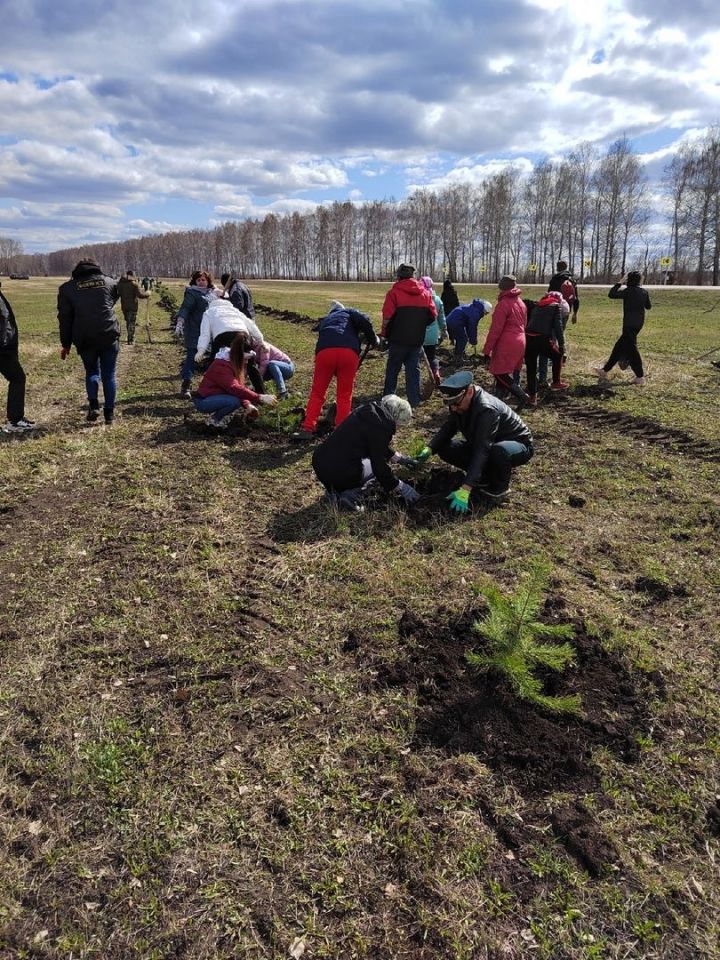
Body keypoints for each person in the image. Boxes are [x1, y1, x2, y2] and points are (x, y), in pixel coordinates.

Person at [411, 371, 534, 510]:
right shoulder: (459, 403)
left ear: (469, 392)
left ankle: (499, 488)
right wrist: (430, 448)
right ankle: (483, 477)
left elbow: (483, 449)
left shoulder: (487, 410)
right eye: (450, 405)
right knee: (445, 448)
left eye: (456, 404)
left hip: (517, 445)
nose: (453, 408)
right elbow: (449, 428)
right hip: (487, 445)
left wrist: (466, 487)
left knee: (498, 451)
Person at [312, 394, 420, 512]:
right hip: (339, 472)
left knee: (348, 462)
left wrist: (399, 459)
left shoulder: (366, 412)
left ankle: (331, 492)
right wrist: (401, 487)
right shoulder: (381, 428)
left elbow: (375, 445)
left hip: (320, 463)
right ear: (395, 418)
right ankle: (350, 497)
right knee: (374, 471)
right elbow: (380, 468)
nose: (398, 428)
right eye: (399, 425)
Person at [295, 300, 379, 440]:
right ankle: (341, 429)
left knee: (318, 392)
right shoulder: (350, 312)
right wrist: (373, 338)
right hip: (348, 353)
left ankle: (308, 427)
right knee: (344, 394)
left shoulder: (327, 320)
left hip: (324, 353)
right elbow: (364, 319)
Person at [57, 259, 121, 425]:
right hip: (108, 334)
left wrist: (66, 343)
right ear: (97, 268)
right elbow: (112, 299)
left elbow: (65, 318)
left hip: (84, 336)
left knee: (92, 371)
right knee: (109, 374)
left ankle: (93, 406)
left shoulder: (67, 288)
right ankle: (109, 414)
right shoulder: (110, 282)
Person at [194, 332, 276, 430]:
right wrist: (260, 397)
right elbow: (234, 388)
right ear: (238, 356)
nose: (246, 362)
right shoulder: (222, 366)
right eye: (245, 358)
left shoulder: (235, 364)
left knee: (234, 400)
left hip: (217, 396)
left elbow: (240, 386)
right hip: (204, 401)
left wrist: (248, 405)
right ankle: (214, 420)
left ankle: (222, 418)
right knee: (234, 402)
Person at [381, 264, 437, 408]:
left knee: (393, 369)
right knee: (413, 370)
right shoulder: (426, 294)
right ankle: (414, 400)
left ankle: (388, 400)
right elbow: (432, 316)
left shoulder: (393, 293)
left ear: (399, 276)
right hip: (416, 339)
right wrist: (418, 326)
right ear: (413, 276)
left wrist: (385, 335)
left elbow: (387, 318)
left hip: (397, 339)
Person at [194, 296, 265, 391]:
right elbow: (251, 325)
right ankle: (261, 392)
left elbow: (205, 334)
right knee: (251, 365)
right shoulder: (235, 311)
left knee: (215, 365)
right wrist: (260, 340)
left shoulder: (209, 312)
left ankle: (211, 389)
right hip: (242, 336)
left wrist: (201, 350)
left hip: (222, 338)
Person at [595, 271, 651, 385]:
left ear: (628, 280)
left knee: (633, 350)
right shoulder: (644, 292)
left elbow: (611, 294)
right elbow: (648, 306)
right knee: (619, 347)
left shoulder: (628, 291)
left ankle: (640, 377)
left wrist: (620, 282)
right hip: (639, 324)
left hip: (628, 324)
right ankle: (604, 370)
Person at [482, 275, 530, 406]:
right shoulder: (520, 303)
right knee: (506, 372)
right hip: (521, 340)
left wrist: (487, 350)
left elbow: (495, 330)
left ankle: (522, 396)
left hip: (507, 342)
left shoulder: (503, 304)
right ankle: (498, 400)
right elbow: (524, 323)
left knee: (499, 373)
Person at [176, 270, 219, 399]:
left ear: (208, 281)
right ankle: (186, 386)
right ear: (194, 281)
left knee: (214, 359)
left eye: (203, 280)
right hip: (195, 330)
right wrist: (180, 321)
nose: (201, 282)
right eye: (198, 280)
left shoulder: (212, 294)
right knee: (192, 357)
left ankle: (211, 386)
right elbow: (185, 308)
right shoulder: (191, 293)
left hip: (210, 331)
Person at [0, 283, 34, 433]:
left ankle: (15, 419)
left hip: (5, 347)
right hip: (2, 349)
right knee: (18, 378)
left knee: (17, 378)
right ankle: (15, 420)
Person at [525, 290, 569, 404]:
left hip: (528, 338)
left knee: (531, 368)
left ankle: (532, 396)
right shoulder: (555, 307)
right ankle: (556, 382)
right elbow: (558, 328)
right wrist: (562, 345)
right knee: (557, 356)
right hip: (542, 339)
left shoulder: (538, 305)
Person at [541, 260, 579, 386]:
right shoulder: (572, 279)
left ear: (557, 268)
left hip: (553, 310)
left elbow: (548, 295)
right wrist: (575, 313)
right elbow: (576, 298)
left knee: (550, 336)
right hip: (566, 311)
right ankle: (559, 353)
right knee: (560, 333)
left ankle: (552, 358)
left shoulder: (555, 280)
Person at [420, 277, 447, 385]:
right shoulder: (437, 300)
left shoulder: (419, 298)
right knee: (432, 357)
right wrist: (444, 330)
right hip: (432, 335)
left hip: (419, 334)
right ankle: (436, 372)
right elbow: (441, 317)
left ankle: (418, 380)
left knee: (414, 359)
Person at [117, 269, 149, 345]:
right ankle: (130, 339)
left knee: (128, 321)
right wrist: (147, 293)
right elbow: (140, 295)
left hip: (124, 306)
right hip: (133, 307)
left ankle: (130, 336)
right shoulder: (134, 284)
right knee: (132, 322)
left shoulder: (120, 284)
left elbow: (118, 293)